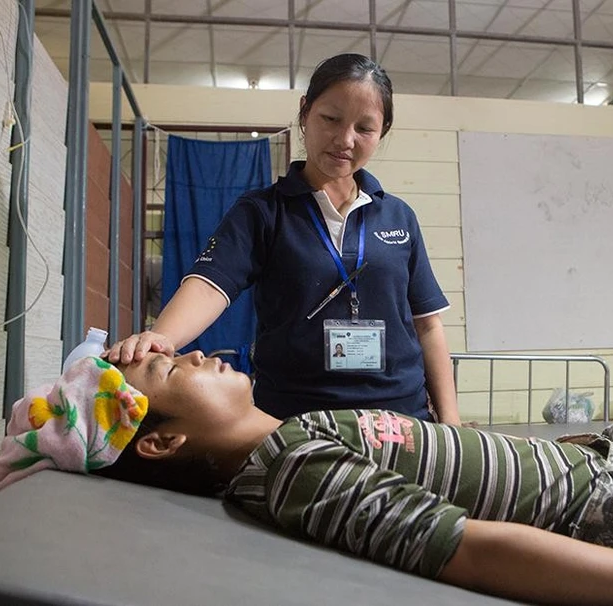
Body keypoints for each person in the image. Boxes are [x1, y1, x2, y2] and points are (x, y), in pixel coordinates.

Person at [0, 354, 613, 606]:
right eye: (181, 375)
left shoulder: (289, 440)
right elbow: (468, 549)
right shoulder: (292, 467)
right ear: (166, 445)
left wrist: (143, 368)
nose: (203, 358)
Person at [105, 53, 459, 425]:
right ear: (305, 112)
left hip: (401, 418)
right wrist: (160, 339)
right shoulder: (262, 212)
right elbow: (210, 286)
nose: (345, 139)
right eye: (331, 118)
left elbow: (428, 325)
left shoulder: (399, 217)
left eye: (365, 128)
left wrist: (450, 424)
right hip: (296, 422)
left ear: (382, 132)